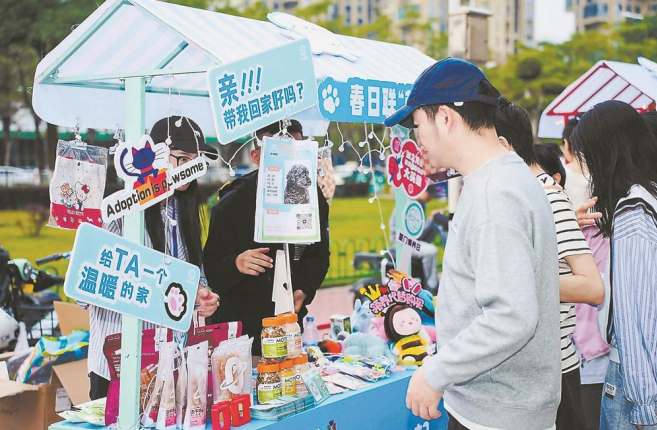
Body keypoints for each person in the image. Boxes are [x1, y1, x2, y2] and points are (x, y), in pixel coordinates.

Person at [385, 57, 561, 430]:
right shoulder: (508, 175)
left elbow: (511, 316)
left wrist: (435, 373)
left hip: (497, 411)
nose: (417, 141)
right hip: (509, 404)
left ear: (446, 119)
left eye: (417, 126)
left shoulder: (493, 194)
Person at [85, 116, 221, 400]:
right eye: (182, 159)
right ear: (156, 155)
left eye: (196, 163)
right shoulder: (120, 214)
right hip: (116, 366)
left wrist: (202, 294)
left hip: (166, 362)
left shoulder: (184, 213)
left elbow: (193, 275)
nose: (189, 170)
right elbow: (82, 291)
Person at [496, 100, 605, 430]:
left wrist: (514, 279)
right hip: (532, 370)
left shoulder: (547, 195)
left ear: (503, 145)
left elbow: (592, 288)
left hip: (550, 371)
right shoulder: (530, 194)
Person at [203, 120, 330, 355]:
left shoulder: (313, 200)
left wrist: (303, 290)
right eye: (278, 154)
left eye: (297, 152)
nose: (289, 162)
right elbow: (212, 268)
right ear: (256, 157)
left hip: (288, 325)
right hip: (239, 335)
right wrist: (236, 263)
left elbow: (319, 256)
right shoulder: (232, 203)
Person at [569, 100, 657, 430]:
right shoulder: (649, 196)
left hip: (634, 383)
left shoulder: (632, 211)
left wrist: (645, 404)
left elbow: (635, 318)